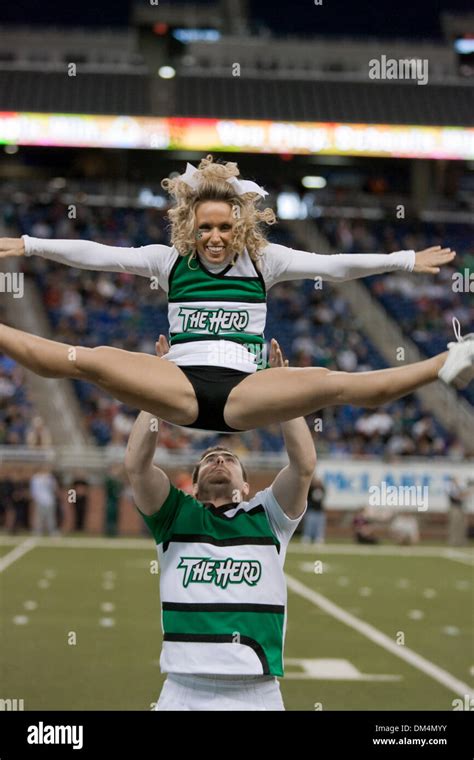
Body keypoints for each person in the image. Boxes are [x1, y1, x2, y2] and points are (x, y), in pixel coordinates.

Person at [0, 155, 472, 440]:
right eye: (205, 227)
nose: (215, 237)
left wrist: (405, 258)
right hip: (180, 385)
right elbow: (99, 255)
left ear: (240, 226)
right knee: (85, 357)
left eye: (225, 227)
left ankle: (443, 364)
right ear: (190, 226)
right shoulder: (168, 261)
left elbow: (335, 266)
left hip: (245, 390)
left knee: (334, 384)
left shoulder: (266, 261)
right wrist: (30, 245)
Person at [124, 338, 314, 711]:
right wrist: (158, 387)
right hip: (182, 689)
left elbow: (304, 465)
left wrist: (282, 387)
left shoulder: (270, 518)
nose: (219, 460)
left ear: (247, 486)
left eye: (228, 457)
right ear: (192, 485)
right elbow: (136, 466)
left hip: (256, 692)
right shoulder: (174, 515)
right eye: (210, 458)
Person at [30, 466, 59, 536]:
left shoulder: (50, 477)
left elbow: (55, 488)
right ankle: (38, 531)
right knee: (39, 517)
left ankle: (52, 531)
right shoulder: (35, 478)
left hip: (50, 500)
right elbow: (33, 490)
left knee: (50, 517)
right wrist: (35, 498)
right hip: (40, 500)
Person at [301, 473, 326, 544]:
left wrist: (319, 485)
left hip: (319, 511)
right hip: (311, 510)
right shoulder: (310, 489)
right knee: (308, 526)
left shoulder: (322, 489)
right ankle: (307, 537)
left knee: (319, 526)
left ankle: (319, 538)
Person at [445, 476, 468, 547]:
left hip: (460, 508)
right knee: (454, 525)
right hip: (454, 508)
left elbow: (463, 495)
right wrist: (463, 495)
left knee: (461, 525)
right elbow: (456, 497)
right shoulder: (450, 488)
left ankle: (460, 541)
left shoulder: (459, 488)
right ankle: (453, 541)